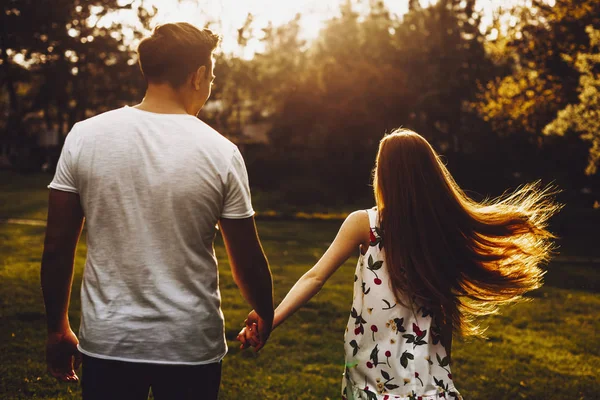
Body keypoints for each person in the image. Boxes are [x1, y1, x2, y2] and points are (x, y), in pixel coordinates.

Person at [40, 22, 274, 400]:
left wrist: (57, 328)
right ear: (198, 76)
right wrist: (265, 311)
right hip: (189, 346)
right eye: (211, 76)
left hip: (109, 342)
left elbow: (56, 248)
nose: (209, 85)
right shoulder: (222, 152)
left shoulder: (84, 136)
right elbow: (246, 261)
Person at [238, 129, 559, 399]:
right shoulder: (442, 227)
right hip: (425, 379)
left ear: (384, 175)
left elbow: (315, 277)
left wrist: (272, 318)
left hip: (371, 373)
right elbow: (444, 317)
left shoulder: (365, 223)